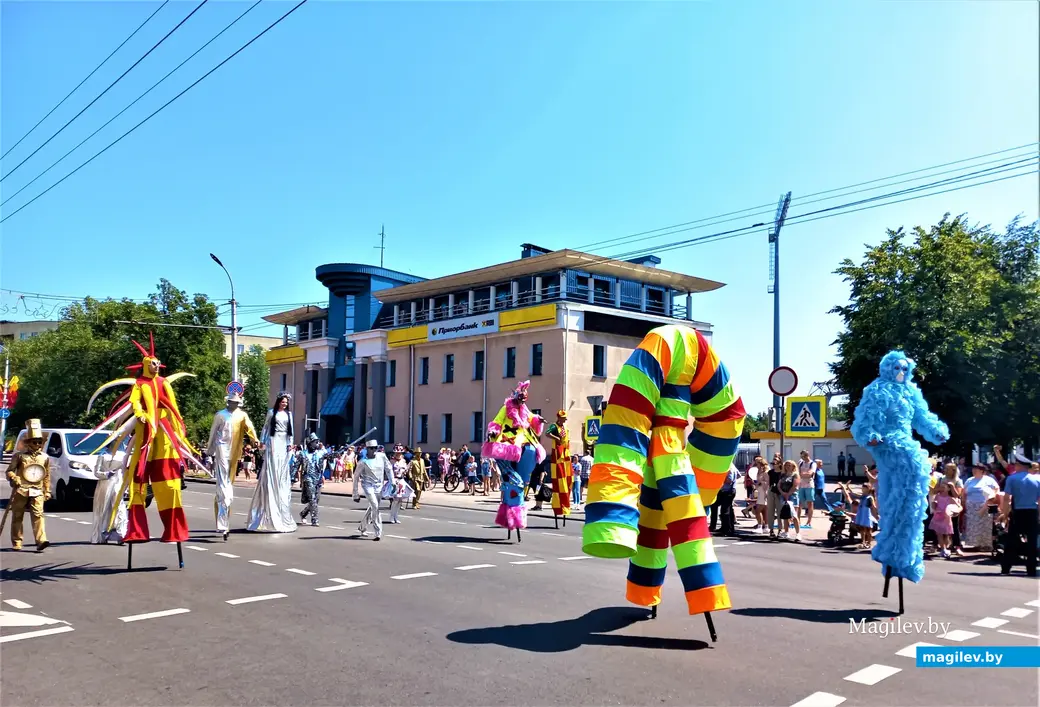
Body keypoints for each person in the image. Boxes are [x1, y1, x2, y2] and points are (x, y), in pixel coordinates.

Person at [85, 334, 197, 545]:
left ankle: (174, 530)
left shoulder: (164, 383)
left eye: (157, 363)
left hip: (163, 436)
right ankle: (137, 531)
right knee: (137, 482)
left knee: (170, 485)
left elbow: (174, 410)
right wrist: (141, 414)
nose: (156, 366)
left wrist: (179, 432)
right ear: (146, 365)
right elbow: (135, 402)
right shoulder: (139, 384)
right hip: (145, 436)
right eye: (152, 363)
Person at [850, 351, 949, 584]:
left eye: (905, 369)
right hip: (888, 443)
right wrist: (870, 436)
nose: (901, 372)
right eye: (896, 368)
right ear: (887, 369)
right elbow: (863, 422)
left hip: (904, 440)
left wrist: (935, 431)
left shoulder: (910, 391)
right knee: (913, 465)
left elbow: (921, 417)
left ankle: (904, 556)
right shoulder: (877, 390)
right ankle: (893, 549)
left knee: (907, 501)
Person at [484, 380, 545, 540]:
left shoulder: (524, 410)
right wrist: (492, 432)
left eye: (524, 399)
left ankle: (510, 516)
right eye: (520, 398)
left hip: (524, 446)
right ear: (515, 397)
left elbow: (532, 419)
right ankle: (514, 517)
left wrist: (538, 420)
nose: (522, 402)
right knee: (515, 483)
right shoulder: (506, 408)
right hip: (505, 447)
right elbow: (496, 422)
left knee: (525, 471)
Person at [206, 391, 259, 541]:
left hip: (235, 452)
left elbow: (250, 428)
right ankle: (223, 522)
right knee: (224, 484)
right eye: (231, 402)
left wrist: (255, 440)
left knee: (225, 485)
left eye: (236, 402)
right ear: (228, 402)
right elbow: (213, 432)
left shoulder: (242, 415)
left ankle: (222, 521)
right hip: (221, 449)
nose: (233, 404)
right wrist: (210, 449)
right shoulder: (220, 415)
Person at [246, 393, 297, 533]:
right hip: (273, 441)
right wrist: (262, 442)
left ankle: (280, 487)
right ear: (278, 401)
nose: (284, 404)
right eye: (282, 401)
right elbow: (265, 428)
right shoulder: (271, 413)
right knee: (272, 468)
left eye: (286, 402)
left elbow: (290, 432)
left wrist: (290, 444)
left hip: (283, 442)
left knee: (282, 469)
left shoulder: (289, 415)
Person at [5, 419, 51, 552]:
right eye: (34, 441)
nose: (37, 444)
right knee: (17, 515)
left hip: (37, 490)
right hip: (21, 489)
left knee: (38, 515)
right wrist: (14, 477)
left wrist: (47, 490)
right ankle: (17, 541)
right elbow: (9, 471)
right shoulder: (19, 456)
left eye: (39, 442)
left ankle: (41, 540)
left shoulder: (45, 457)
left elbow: (47, 475)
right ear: (28, 442)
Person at [997, 449, 1038, 577]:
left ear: (1020, 466)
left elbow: (1007, 498)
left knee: (1011, 541)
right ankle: (1031, 569)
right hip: (1032, 512)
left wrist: (1004, 514)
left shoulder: (1012, 478)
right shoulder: (1037, 480)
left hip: (1018, 513)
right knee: (1032, 542)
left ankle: (1006, 568)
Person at [354, 439, 393, 540]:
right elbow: (356, 477)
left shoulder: (382, 457)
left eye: (376, 448)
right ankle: (378, 531)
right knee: (375, 506)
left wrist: (392, 482)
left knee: (373, 507)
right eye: (371, 448)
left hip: (379, 486)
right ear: (367, 449)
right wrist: (355, 494)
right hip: (367, 486)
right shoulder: (362, 462)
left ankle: (362, 527)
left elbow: (389, 469)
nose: (374, 450)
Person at [91, 453, 127, 544]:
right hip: (105, 485)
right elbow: (96, 472)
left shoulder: (123, 454)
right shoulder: (102, 456)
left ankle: (121, 534)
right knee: (102, 510)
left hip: (117, 485)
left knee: (119, 509)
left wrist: (125, 488)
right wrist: (107, 474)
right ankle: (99, 536)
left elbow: (125, 472)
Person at [546, 410, 572, 519]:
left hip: (566, 455)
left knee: (569, 480)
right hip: (558, 456)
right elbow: (547, 433)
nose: (565, 420)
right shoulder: (554, 426)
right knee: (559, 480)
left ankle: (566, 504)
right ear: (559, 418)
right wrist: (556, 438)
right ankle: (559, 506)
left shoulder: (565, 428)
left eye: (565, 418)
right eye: (563, 418)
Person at [298, 433, 328, 527]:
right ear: (310, 443)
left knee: (316, 499)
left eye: (318, 442)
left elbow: (329, 456)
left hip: (318, 479)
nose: (317, 444)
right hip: (308, 478)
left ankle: (303, 513)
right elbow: (295, 466)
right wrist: (291, 478)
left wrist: (335, 455)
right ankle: (314, 519)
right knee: (312, 499)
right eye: (315, 442)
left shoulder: (320, 453)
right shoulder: (303, 454)